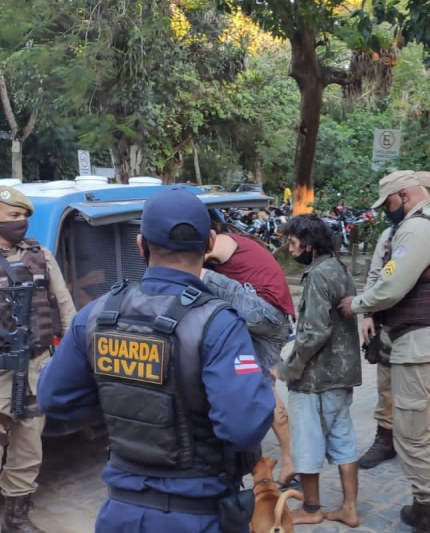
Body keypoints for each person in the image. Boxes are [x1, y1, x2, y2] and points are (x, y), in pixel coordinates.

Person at [37, 187, 275, 533]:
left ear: (140, 244)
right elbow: (243, 427)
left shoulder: (96, 315)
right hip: (196, 516)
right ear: (210, 243)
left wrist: (120, 399)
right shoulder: (218, 324)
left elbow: (53, 398)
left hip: (119, 515)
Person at [339, 172, 430, 533]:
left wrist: (357, 305)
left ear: (404, 194)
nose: (388, 211)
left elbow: (391, 286)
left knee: (414, 437)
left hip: (419, 347)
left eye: (389, 203)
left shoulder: (417, 228)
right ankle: (428, 503)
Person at [357, 170, 430, 471]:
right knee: (387, 385)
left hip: (423, 331)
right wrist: (368, 313)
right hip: (393, 324)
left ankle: (416, 448)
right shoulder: (394, 234)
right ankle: (387, 438)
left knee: (421, 406)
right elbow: (377, 275)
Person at [0, 186, 76, 533]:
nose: (21, 222)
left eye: (24, 217)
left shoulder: (39, 254)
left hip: (36, 365)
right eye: (14, 216)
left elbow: (64, 304)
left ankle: (16, 516)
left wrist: (72, 355)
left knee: (29, 446)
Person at [278, 214, 361, 528]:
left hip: (316, 377)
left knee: (306, 441)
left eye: (293, 243)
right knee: (343, 439)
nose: (290, 249)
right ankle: (349, 509)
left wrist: (290, 368)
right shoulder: (339, 267)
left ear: (309, 244)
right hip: (343, 373)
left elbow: (313, 333)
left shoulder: (317, 275)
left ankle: (311, 508)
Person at [203, 227, 298, 487]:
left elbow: (189, 261)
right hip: (274, 321)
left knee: (195, 272)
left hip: (265, 313)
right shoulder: (241, 247)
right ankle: (290, 461)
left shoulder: (222, 241)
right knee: (265, 387)